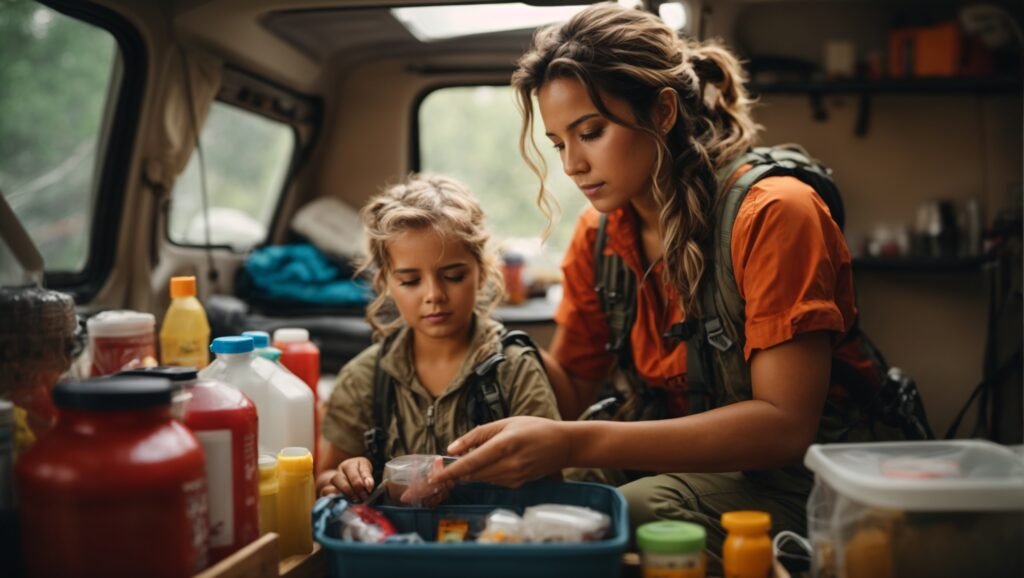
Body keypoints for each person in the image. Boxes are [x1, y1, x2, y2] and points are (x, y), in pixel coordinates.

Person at [431, 2, 908, 566]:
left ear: (660, 112)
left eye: (591, 132)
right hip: (686, 463)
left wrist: (576, 439)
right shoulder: (599, 236)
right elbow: (575, 388)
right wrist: (474, 339)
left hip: (809, 477)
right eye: (559, 143)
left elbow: (785, 426)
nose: (572, 165)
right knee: (533, 501)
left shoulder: (775, 214)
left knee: (627, 511)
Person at [316, 174, 560, 504]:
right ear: (387, 283)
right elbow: (327, 478)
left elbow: (551, 481)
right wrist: (344, 477)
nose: (434, 295)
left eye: (453, 276)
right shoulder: (363, 379)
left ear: (482, 272)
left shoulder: (514, 370)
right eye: (410, 280)